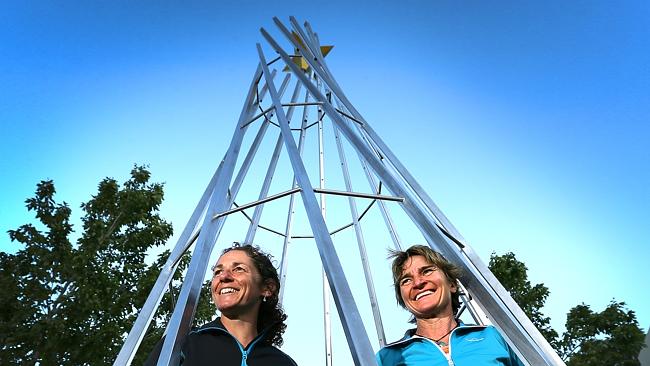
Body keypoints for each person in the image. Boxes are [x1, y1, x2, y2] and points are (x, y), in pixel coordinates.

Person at [145, 243, 297, 366]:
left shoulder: (282, 362)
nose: (223, 276)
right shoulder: (184, 344)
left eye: (238, 269)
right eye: (217, 272)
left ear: (267, 288)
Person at [376, 245, 524, 366]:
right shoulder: (386, 358)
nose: (418, 283)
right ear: (403, 298)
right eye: (406, 280)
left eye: (427, 271)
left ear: (452, 284)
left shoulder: (494, 337)